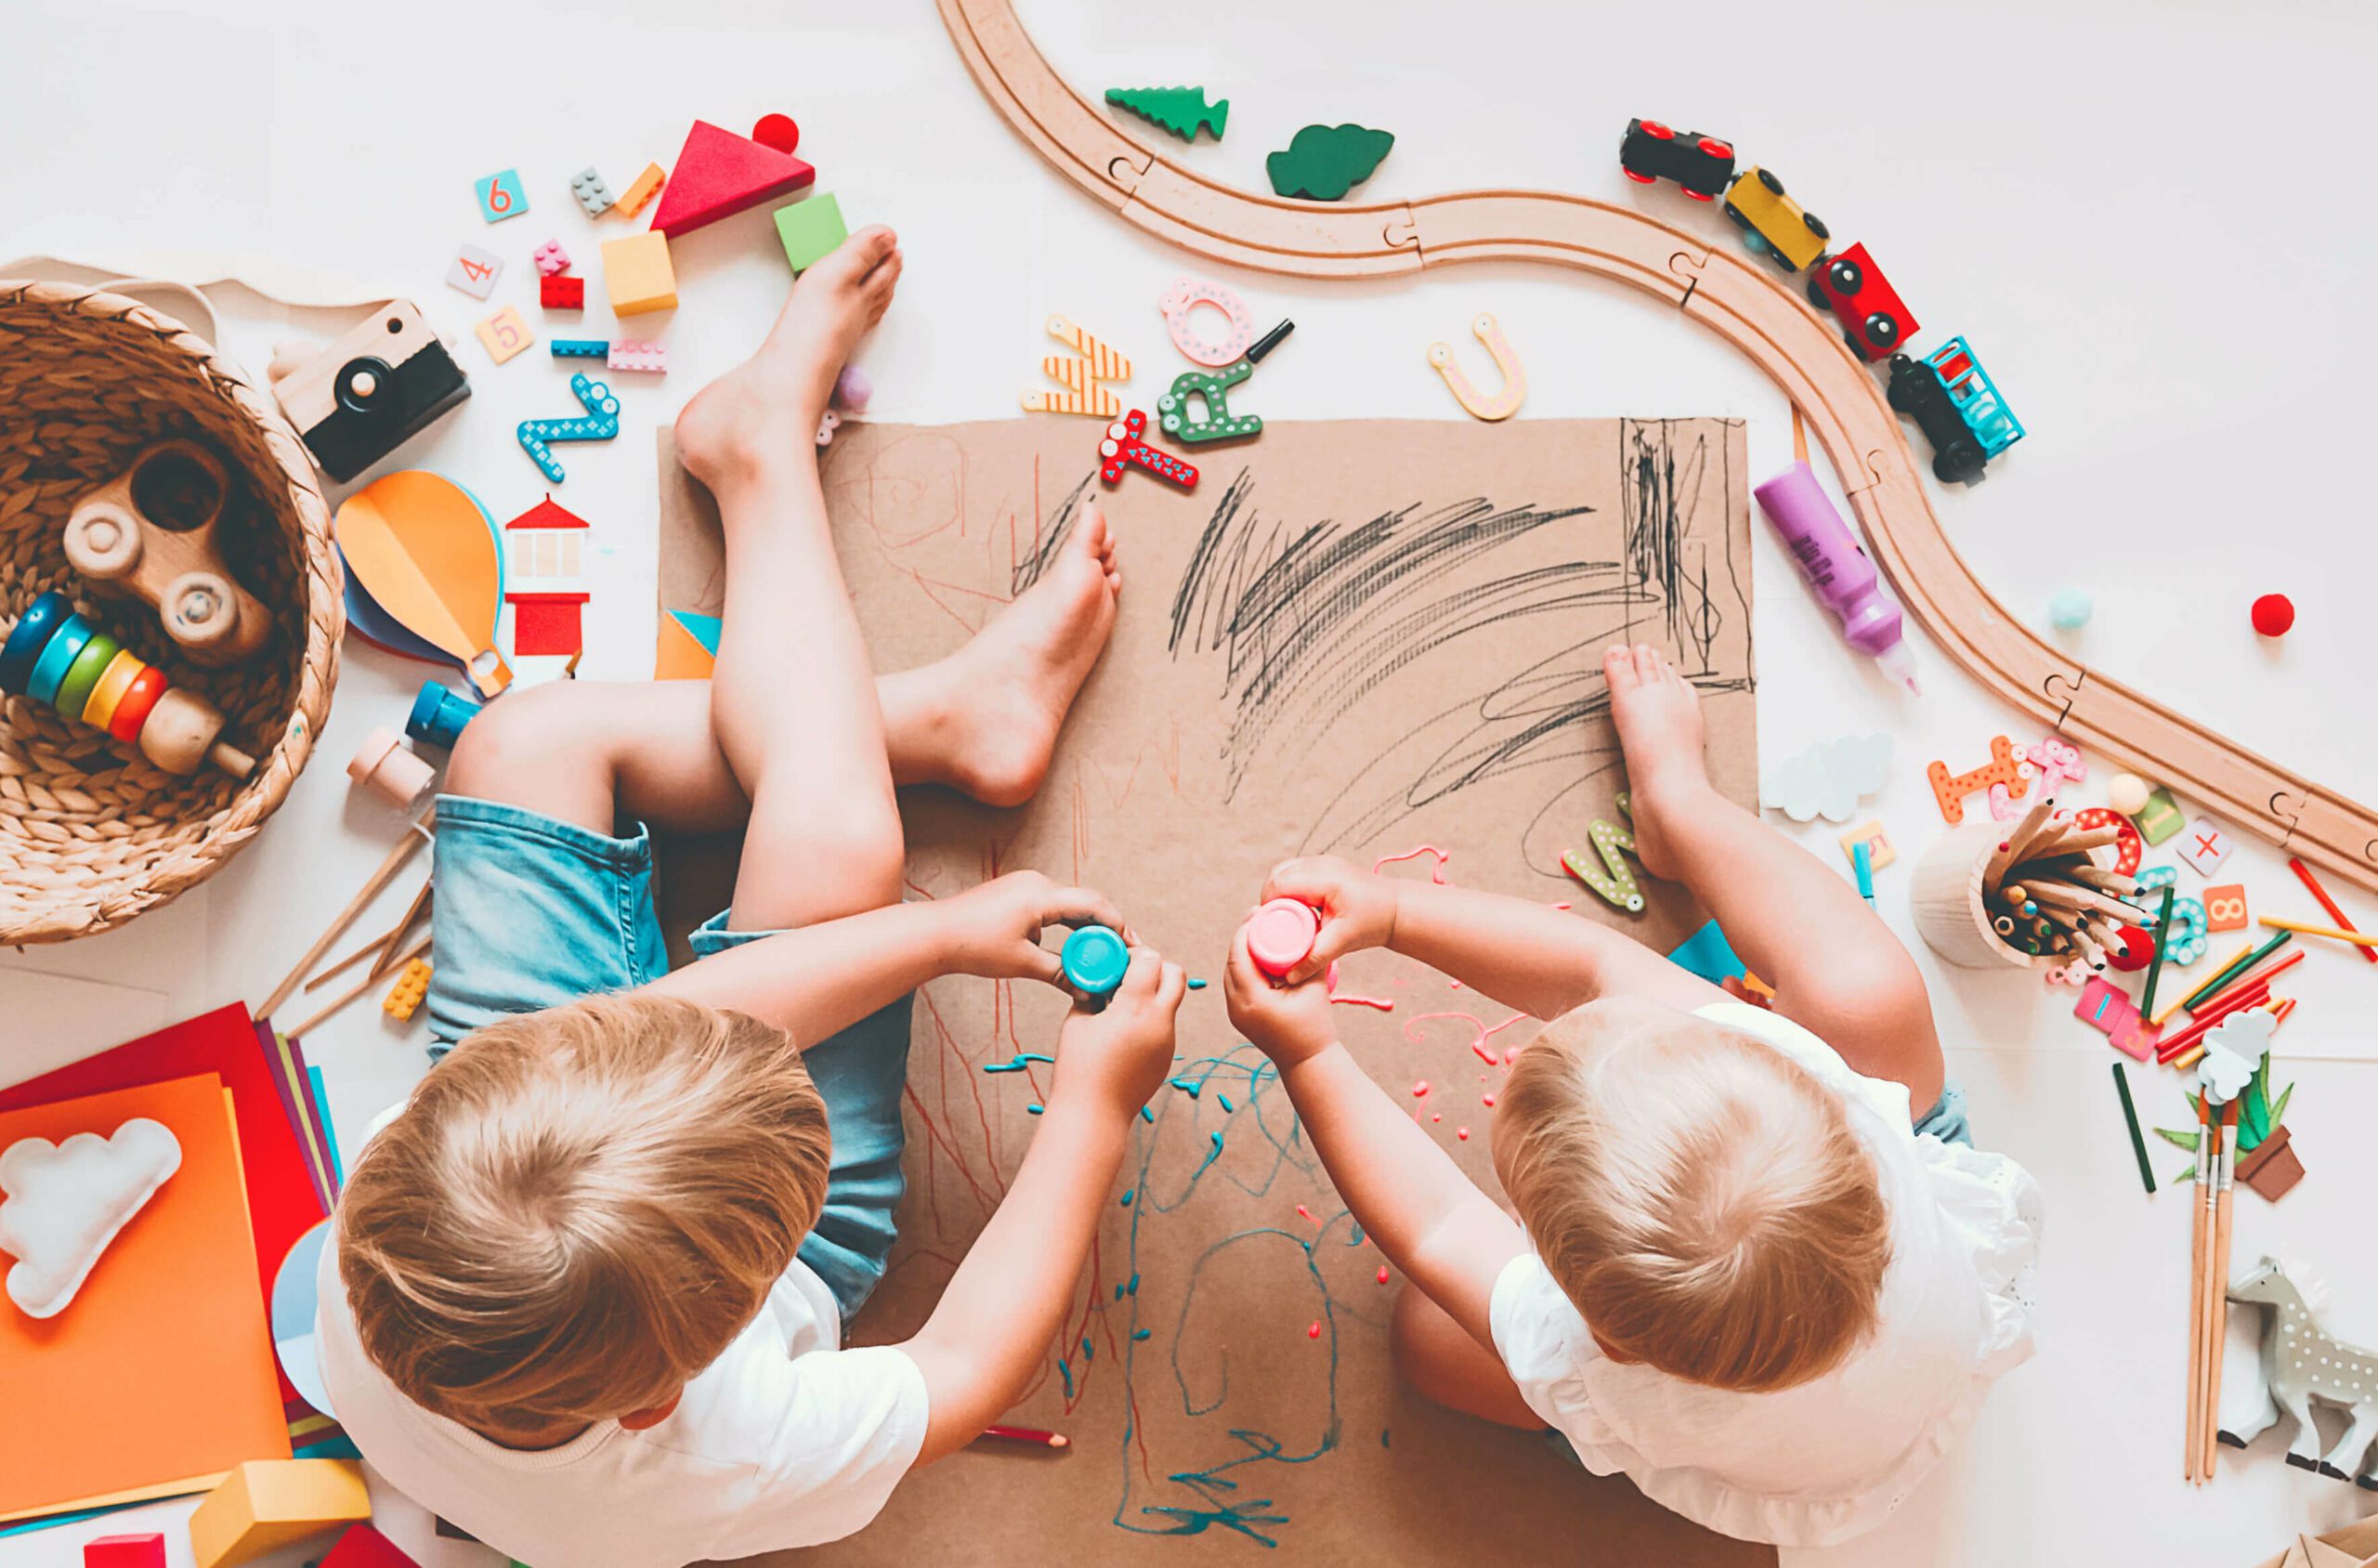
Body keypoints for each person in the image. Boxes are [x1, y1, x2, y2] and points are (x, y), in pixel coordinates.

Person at [317, 227, 1188, 1567]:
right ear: (673, 1384)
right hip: (723, 1251)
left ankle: (932, 705)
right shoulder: (724, 1455)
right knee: (838, 854)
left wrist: (948, 931)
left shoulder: (395, 1227)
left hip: (556, 1172)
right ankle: (764, 460)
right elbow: (966, 1364)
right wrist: (1093, 1106)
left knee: (520, 743)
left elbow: (674, 1024)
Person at [1222, 642, 2042, 1548]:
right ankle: (1678, 806)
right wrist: (1389, 912)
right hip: (1900, 1338)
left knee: (1430, 1339)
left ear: (1601, 1332)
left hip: (1771, 1435)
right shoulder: (1801, 1088)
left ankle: (1680, 806)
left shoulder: (1604, 1363)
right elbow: (1589, 970)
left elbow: (1439, 1226)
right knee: (1868, 996)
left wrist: (1306, 1053)